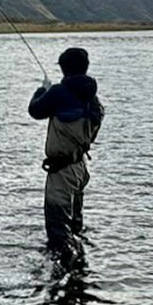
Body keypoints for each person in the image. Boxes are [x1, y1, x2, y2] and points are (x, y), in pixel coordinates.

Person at [29, 47, 104, 250]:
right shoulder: (94, 100)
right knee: (75, 228)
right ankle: (81, 272)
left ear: (63, 69)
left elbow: (35, 110)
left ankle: (61, 275)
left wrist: (42, 89)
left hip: (62, 172)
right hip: (80, 169)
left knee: (58, 233)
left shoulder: (59, 93)